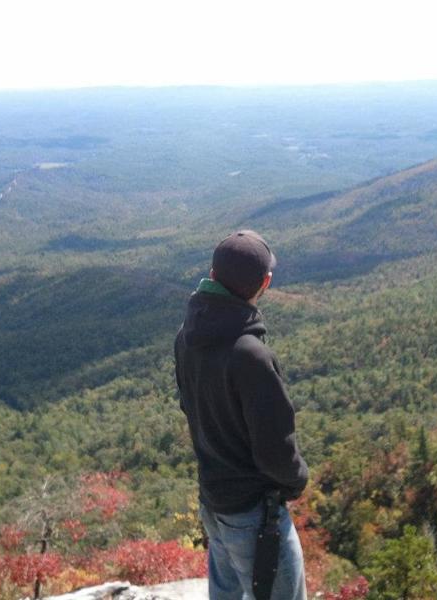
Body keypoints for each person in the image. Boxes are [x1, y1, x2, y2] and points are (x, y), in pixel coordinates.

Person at [174, 230, 309, 600]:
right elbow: (275, 449)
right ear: (264, 284)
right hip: (255, 515)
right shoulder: (251, 355)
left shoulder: (187, 334)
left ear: (212, 274)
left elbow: (190, 408)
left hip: (213, 502)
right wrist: (296, 482)